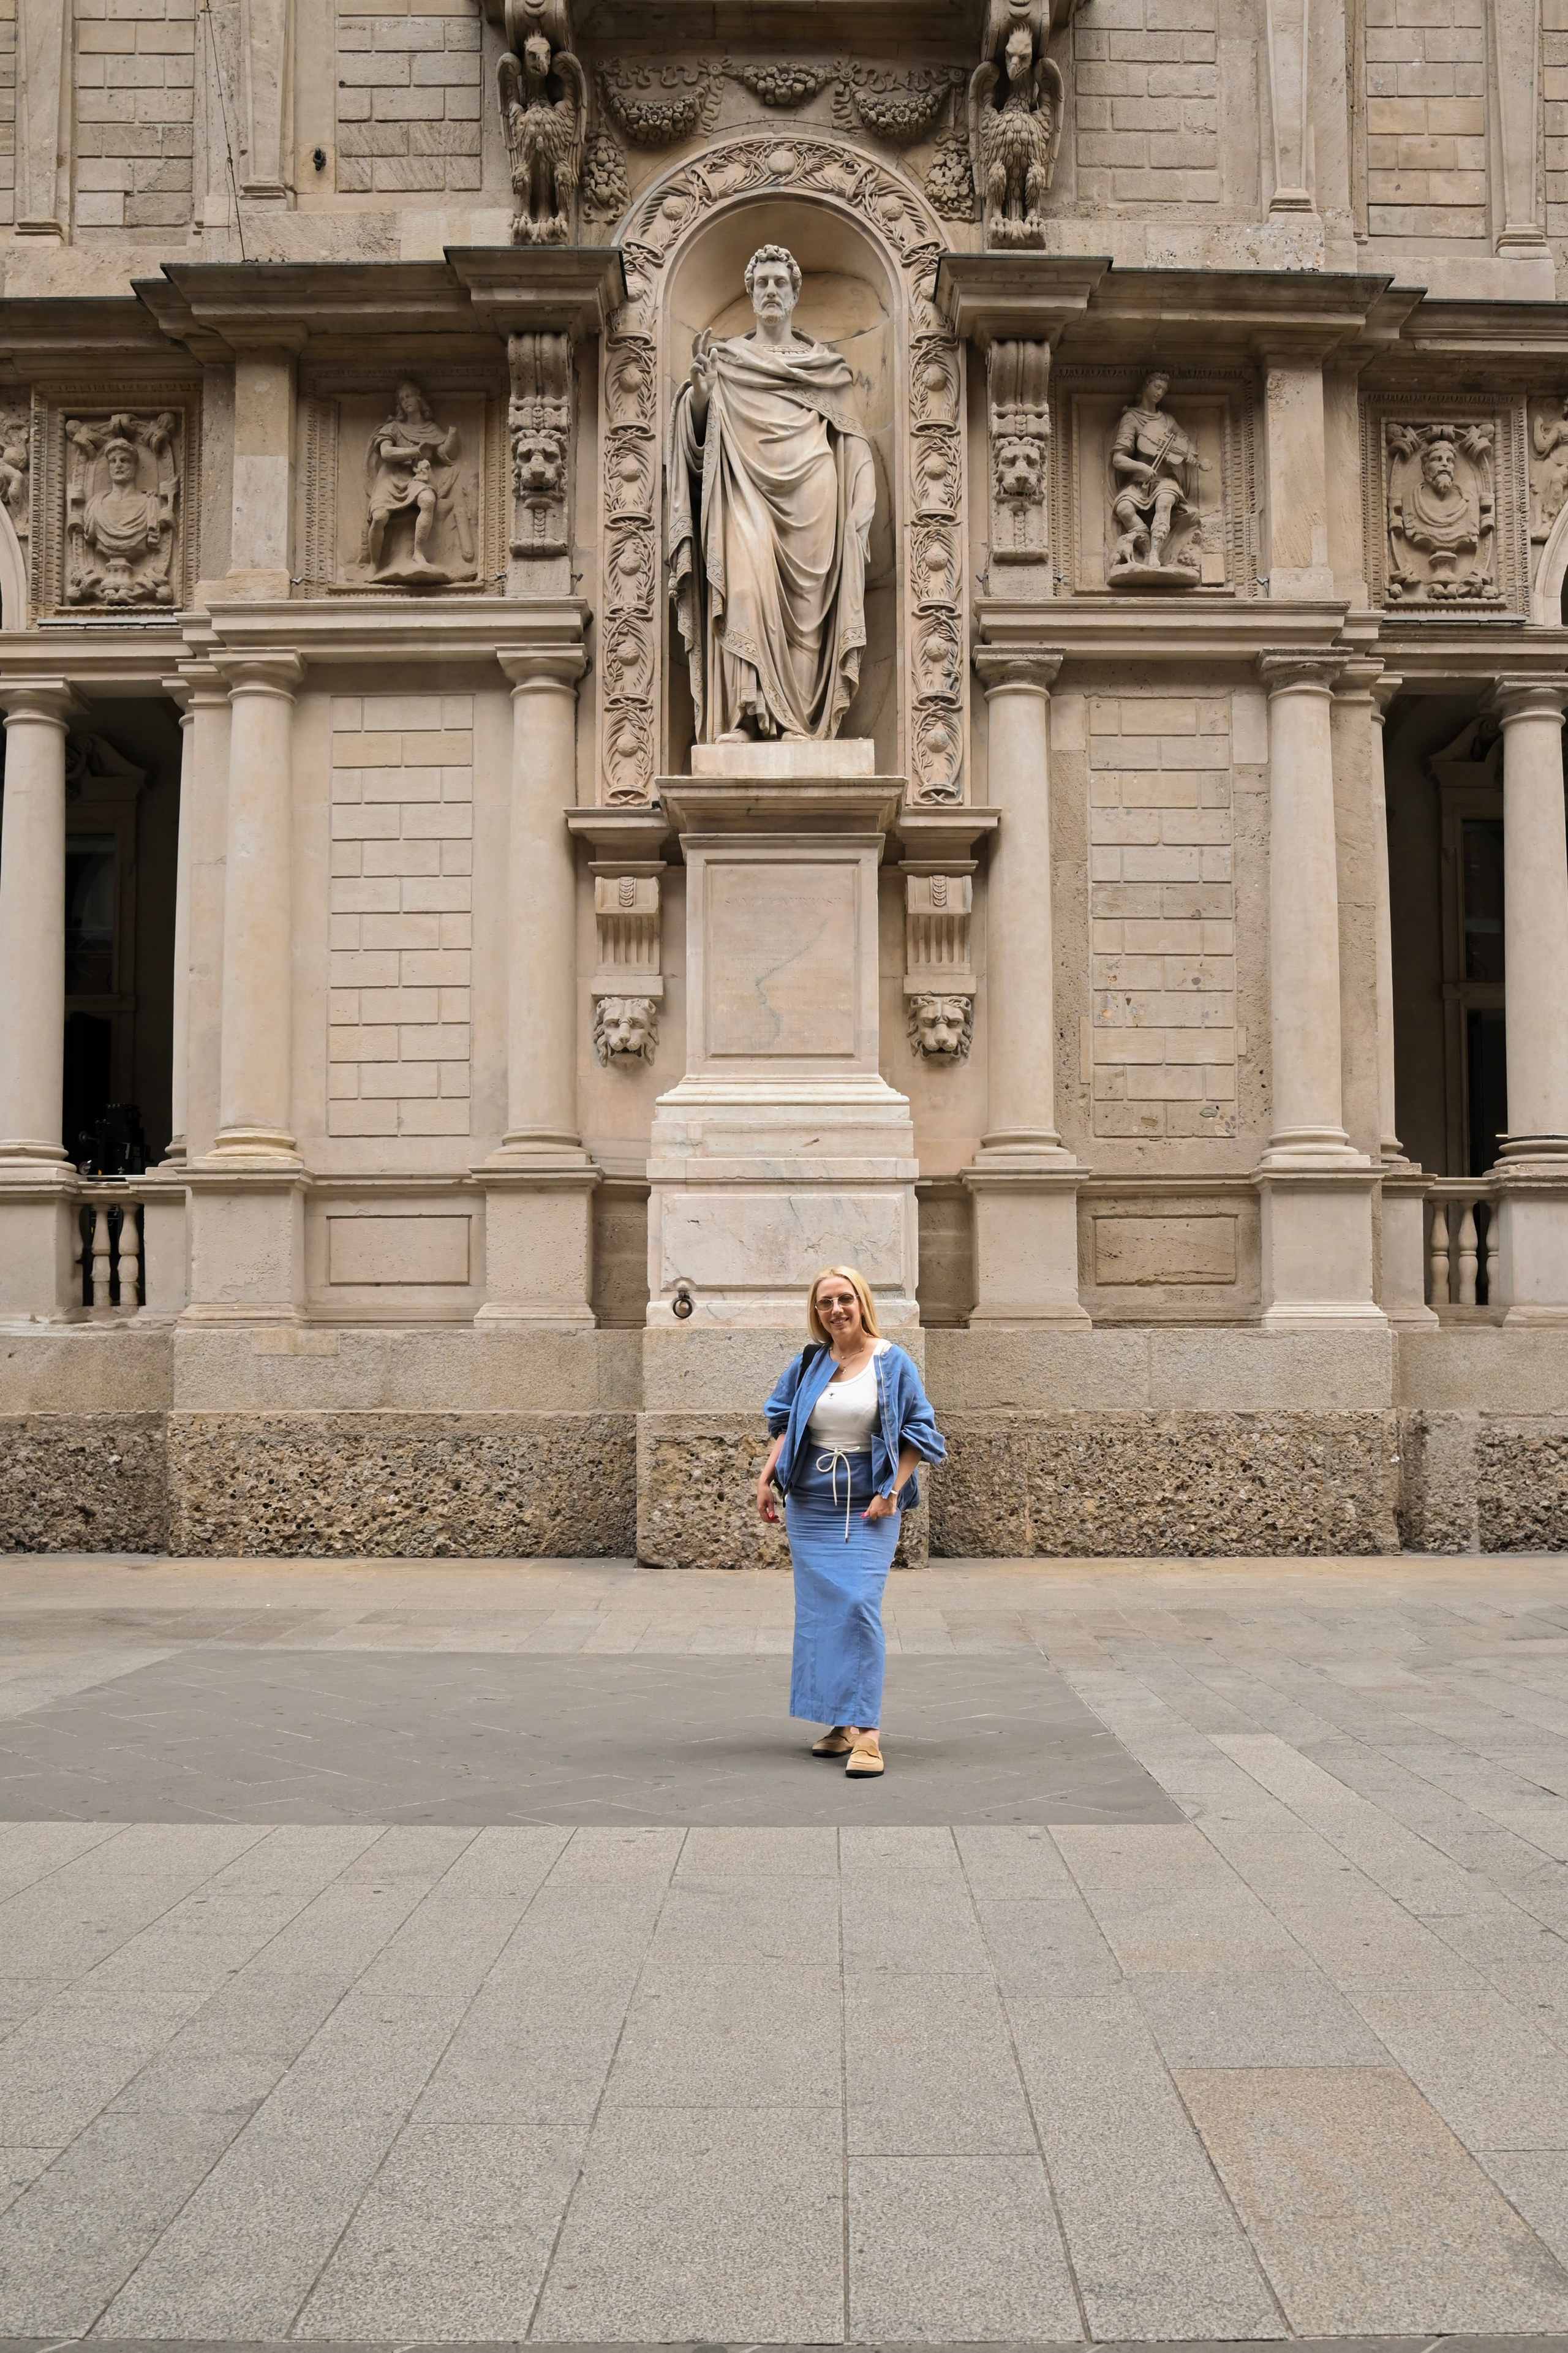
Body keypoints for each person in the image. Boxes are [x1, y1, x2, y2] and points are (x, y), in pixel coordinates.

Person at [668, 244, 876, 745]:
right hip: (743, 489)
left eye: (780, 282)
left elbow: (855, 444)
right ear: (749, 290)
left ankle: (798, 723)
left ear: (795, 292)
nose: (770, 290)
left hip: (814, 493)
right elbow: (696, 456)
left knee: (806, 610)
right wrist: (699, 396)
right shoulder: (728, 362)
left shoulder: (825, 367)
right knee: (742, 586)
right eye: (762, 282)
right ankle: (744, 716)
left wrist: (861, 508)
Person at [756, 1266, 946, 1779]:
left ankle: (867, 1732)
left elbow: (920, 1432)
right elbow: (784, 1422)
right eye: (825, 1303)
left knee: (859, 1604)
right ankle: (839, 1725)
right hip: (811, 1507)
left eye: (845, 1299)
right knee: (822, 1614)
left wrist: (891, 1490)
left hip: (869, 1505)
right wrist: (766, 1477)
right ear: (816, 1312)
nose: (836, 1310)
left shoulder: (891, 1360)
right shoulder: (810, 1362)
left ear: (861, 1302)